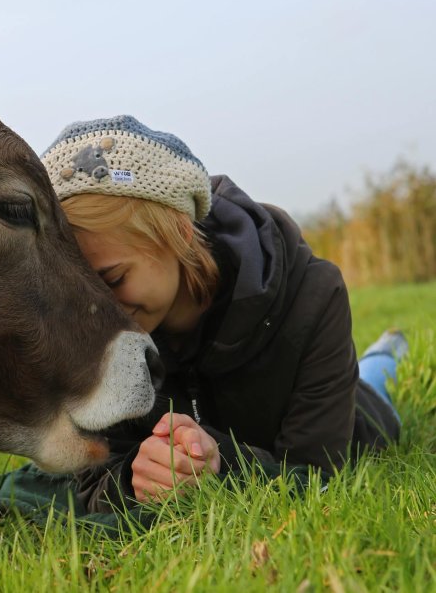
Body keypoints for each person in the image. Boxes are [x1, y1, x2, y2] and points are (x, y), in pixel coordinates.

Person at [24, 115, 404, 512]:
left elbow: (317, 474)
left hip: (360, 416)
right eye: (80, 292)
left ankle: (388, 351)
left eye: (113, 279)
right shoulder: (93, 337)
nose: (99, 315)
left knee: (377, 377)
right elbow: (89, 474)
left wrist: (221, 461)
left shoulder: (314, 295)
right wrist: (133, 477)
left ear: (178, 234)